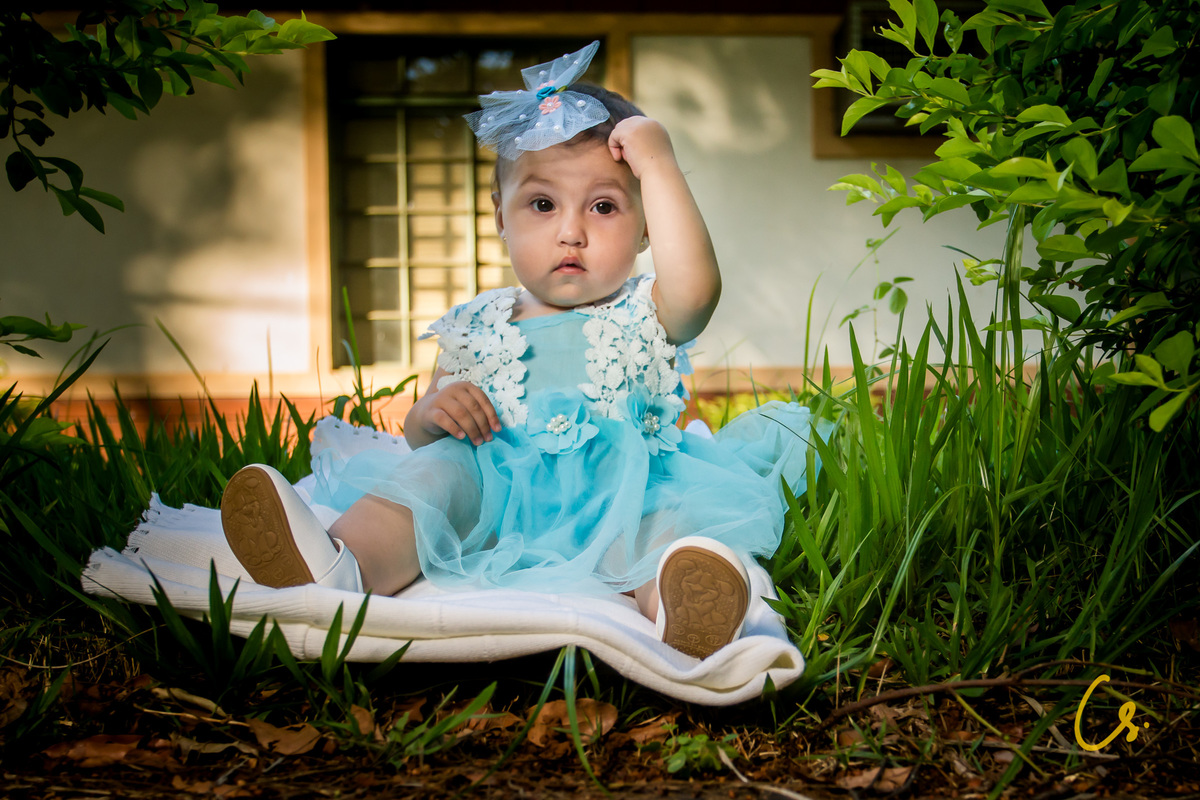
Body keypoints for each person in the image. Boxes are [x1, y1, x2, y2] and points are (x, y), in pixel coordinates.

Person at [220, 41, 822, 660]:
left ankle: (683, 602)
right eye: (542, 205)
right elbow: (427, 426)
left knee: (660, 526)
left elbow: (700, 289)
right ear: (501, 217)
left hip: (619, 495)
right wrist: (433, 414)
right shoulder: (476, 322)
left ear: (648, 228)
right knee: (426, 487)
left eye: (605, 206)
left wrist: (658, 161)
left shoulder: (646, 308)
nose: (571, 231)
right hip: (490, 494)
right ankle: (338, 566)